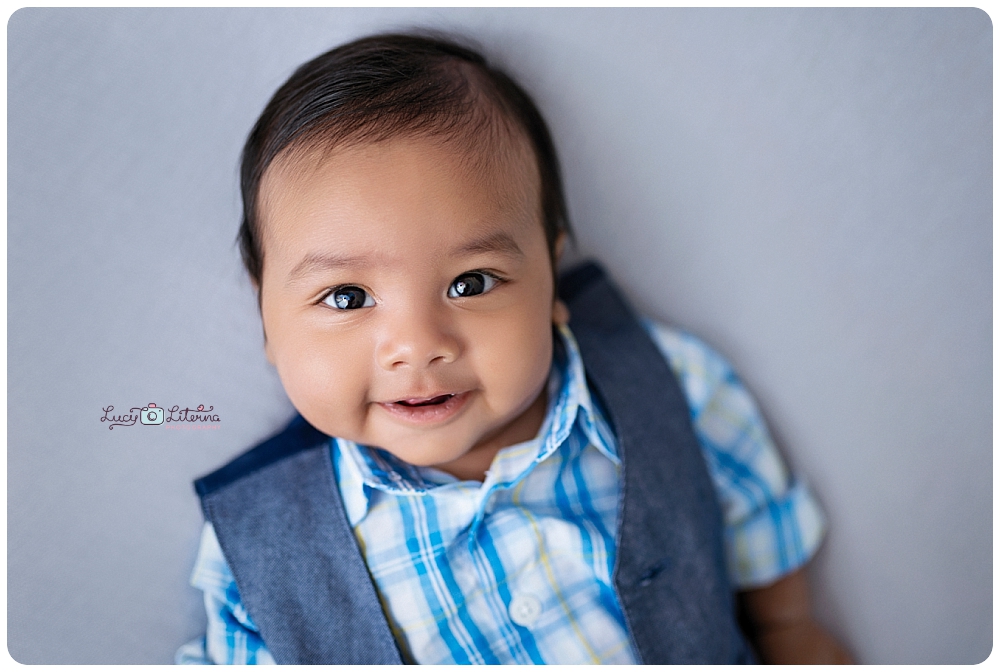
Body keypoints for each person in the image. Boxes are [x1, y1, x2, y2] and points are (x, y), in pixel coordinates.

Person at [177, 32, 852, 665]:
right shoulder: (259, 555)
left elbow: (760, 520)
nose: (417, 346)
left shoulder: (666, 384)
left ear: (550, 278)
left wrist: (788, 627)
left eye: (471, 283)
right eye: (348, 298)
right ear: (266, 318)